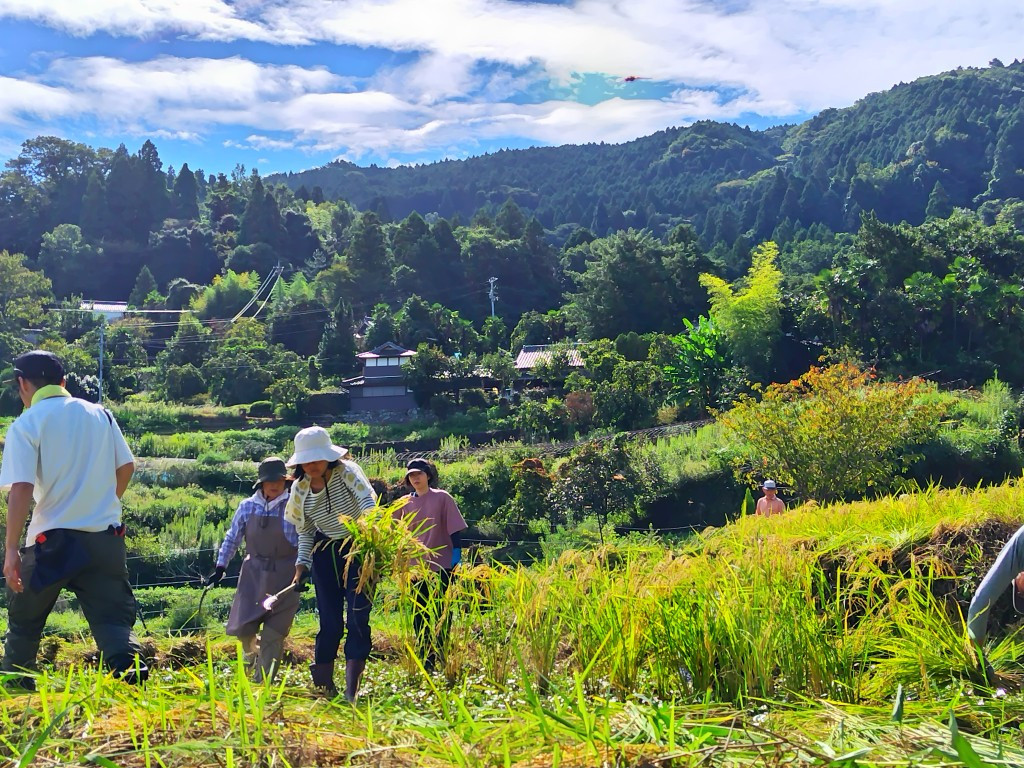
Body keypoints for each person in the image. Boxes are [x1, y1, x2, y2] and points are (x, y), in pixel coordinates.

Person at [1, 350, 146, 689]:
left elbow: (21, 488)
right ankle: (136, 694)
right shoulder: (100, 414)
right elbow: (126, 467)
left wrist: (10, 550)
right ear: (64, 382)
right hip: (105, 538)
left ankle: (17, 698)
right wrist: (103, 504)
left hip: (52, 543)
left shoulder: (28, 422)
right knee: (114, 625)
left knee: (25, 623)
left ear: (22, 384)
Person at [284, 426, 377, 703]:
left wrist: (370, 537)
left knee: (358, 616)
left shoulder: (347, 472)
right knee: (330, 622)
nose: (311, 465)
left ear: (329, 457)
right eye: (306, 461)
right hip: (325, 552)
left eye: (316, 459)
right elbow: (306, 530)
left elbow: (367, 503)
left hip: (359, 548)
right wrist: (301, 566)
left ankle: (352, 690)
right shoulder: (300, 489)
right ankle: (325, 687)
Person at [208, 457, 298, 683]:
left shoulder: (295, 505)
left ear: (285, 481)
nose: (275, 485)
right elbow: (232, 538)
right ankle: (253, 658)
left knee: (273, 634)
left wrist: (305, 568)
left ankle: (262, 684)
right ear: (261, 484)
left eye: (279, 480)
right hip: (254, 574)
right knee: (244, 629)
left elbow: (305, 539)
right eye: (270, 481)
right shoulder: (247, 506)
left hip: (285, 575)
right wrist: (221, 566)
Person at [395, 458, 468, 672]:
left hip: (443, 564)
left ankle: (442, 653)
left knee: (441, 612)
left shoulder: (442, 498)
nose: (415, 478)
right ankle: (426, 658)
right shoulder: (404, 504)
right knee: (420, 613)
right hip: (416, 568)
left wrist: (456, 558)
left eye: (419, 473)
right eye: (411, 475)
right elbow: (394, 532)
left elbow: (455, 530)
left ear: (428, 475)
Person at [967, 525, 1024, 654]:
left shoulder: (1019, 549)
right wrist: (976, 656)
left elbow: (979, 603)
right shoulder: (1017, 552)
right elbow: (980, 605)